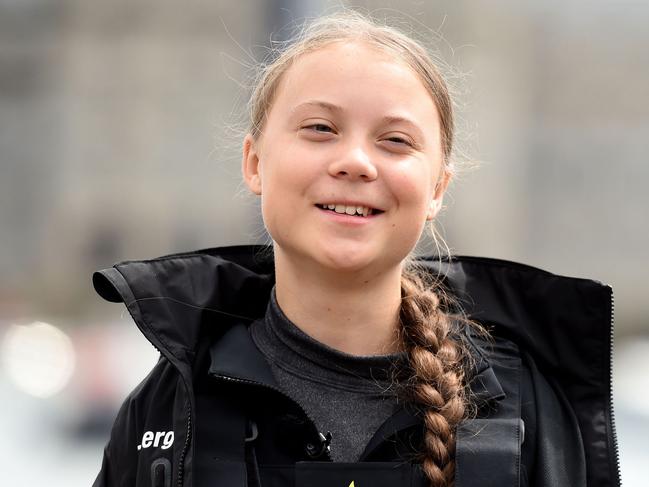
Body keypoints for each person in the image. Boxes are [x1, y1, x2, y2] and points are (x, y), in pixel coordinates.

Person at [91, 11, 620, 487]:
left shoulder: (525, 405)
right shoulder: (169, 407)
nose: (355, 162)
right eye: (320, 128)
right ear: (255, 163)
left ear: (437, 188)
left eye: (395, 140)